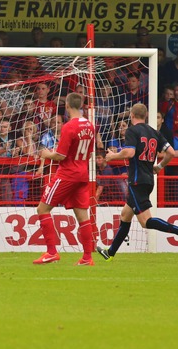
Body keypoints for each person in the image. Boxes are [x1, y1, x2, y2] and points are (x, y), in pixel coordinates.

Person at [97, 103, 178, 261]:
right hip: (147, 179)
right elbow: (171, 152)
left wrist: (113, 156)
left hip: (136, 180)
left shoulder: (132, 130)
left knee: (145, 221)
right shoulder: (154, 132)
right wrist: (159, 166)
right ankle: (110, 253)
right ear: (145, 115)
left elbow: (130, 152)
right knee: (125, 215)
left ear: (132, 115)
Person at [32, 93, 95, 266]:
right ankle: (87, 258)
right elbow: (89, 152)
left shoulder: (69, 127)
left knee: (42, 209)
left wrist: (47, 154)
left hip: (67, 174)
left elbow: (60, 155)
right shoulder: (90, 126)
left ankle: (51, 252)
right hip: (83, 173)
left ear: (67, 106)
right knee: (83, 216)